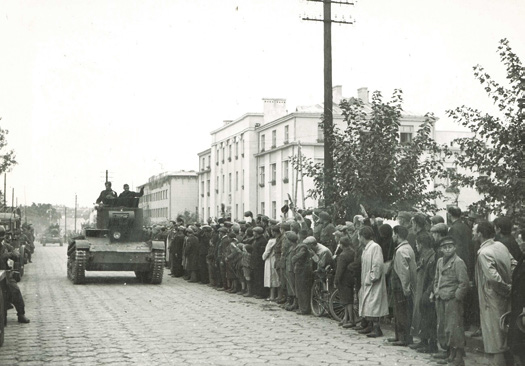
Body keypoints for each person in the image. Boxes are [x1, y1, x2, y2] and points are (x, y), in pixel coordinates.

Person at [474, 221, 514, 366]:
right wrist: (512, 286)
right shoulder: (501, 246)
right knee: (501, 333)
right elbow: (515, 264)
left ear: (480, 234)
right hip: (502, 297)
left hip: (490, 299)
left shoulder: (484, 253)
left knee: (494, 337)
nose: (473, 231)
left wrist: (506, 288)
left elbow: (493, 278)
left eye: (475, 229)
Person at [432, 236, 468, 366]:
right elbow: (436, 278)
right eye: (444, 247)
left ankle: (459, 357)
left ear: (455, 247)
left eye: (450, 247)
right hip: (440, 298)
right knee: (444, 327)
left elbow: (463, 283)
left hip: (452, 300)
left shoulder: (458, 262)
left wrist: (457, 297)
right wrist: (436, 290)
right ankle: (450, 354)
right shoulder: (440, 261)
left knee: (455, 328)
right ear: (441, 249)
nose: (447, 249)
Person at [358, 226, 388, 338]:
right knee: (369, 304)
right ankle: (369, 326)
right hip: (367, 281)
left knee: (374, 304)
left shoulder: (375, 247)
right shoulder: (366, 248)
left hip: (373, 281)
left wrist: (372, 277)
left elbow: (378, 264)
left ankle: (377, 328)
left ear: (362, 236)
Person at [410, 232, 438, 354]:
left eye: (416, 243)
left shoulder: (432, 257)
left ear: (421, 245)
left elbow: (433, 278)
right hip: (421, 291)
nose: (416, 246)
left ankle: (431, 345)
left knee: (429, 319)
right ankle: (423, 341)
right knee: (423, 318)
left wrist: (428, 293)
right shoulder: (425, 255)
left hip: (427, 293)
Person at [389, 225, 417, 346]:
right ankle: (399, 336)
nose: (393, 237)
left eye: (394, 234)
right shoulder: (406, 247)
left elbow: (403, 272)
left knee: (401, 312)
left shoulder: (401, 250)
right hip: (400, 285)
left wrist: (405, 288)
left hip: (400, 286)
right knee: (400, 311)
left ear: (397, 235)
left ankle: (403, 337)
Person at [0, 226, 30, 323]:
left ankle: (21, 314)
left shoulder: (5, 246)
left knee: (15, 291)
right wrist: (6, 256)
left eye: (2, 237)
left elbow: (16, 253)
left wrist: (11, 254)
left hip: (5, 275)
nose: (2, 239)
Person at [334, 236, 356, 328]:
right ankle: (345, 318)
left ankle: (351, 320)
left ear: (342, 245)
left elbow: (340, 270)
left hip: (344, 279)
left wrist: (336, 280)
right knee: (347, 300)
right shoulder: (352, 252)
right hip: (351, 278)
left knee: (347, 301)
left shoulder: (343, 255)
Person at [292, 235, 314, 315]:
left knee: (302, 290)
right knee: (303, 290)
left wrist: (294, 260)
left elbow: (297, 257)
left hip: (302, 271)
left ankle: (304, 309)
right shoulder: (306, 248)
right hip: (303, 271)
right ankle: (304, 308)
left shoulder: (303, 248)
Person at [262, 226, 280, 301]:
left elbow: (267, 251)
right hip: (276, 258)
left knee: (271, 277)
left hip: (270, 259)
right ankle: (278, 295)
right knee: (276, 278)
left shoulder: (271, 241)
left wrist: (263, 257)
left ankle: (272, 296)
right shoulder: (278, 240)